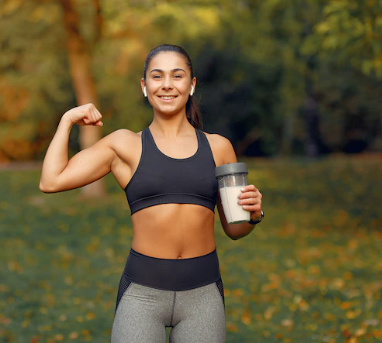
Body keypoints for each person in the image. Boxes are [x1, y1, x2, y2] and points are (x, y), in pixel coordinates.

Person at [39, 44, 264, 343]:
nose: (167, 84)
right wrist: (67, 120)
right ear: (145, 86)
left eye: (177, 75)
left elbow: (235, 230)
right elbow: (51, 181)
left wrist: (254, 213)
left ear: (191, 85)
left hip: (203, 296)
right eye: (157, 76)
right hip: (142, 296)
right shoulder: (124, 145)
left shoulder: (219, 147)